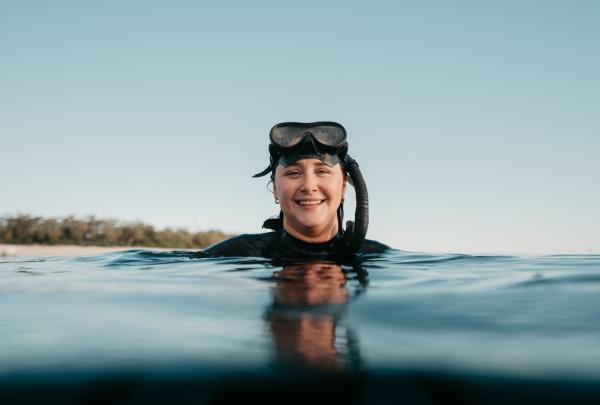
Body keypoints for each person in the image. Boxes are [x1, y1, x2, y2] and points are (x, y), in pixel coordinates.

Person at [199, 121, 389, 260]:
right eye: (293, 173)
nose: (308, 186)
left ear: (344, 186)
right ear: (275, 188)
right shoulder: (234, 255)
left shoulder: (378, 258)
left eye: (322, 171)